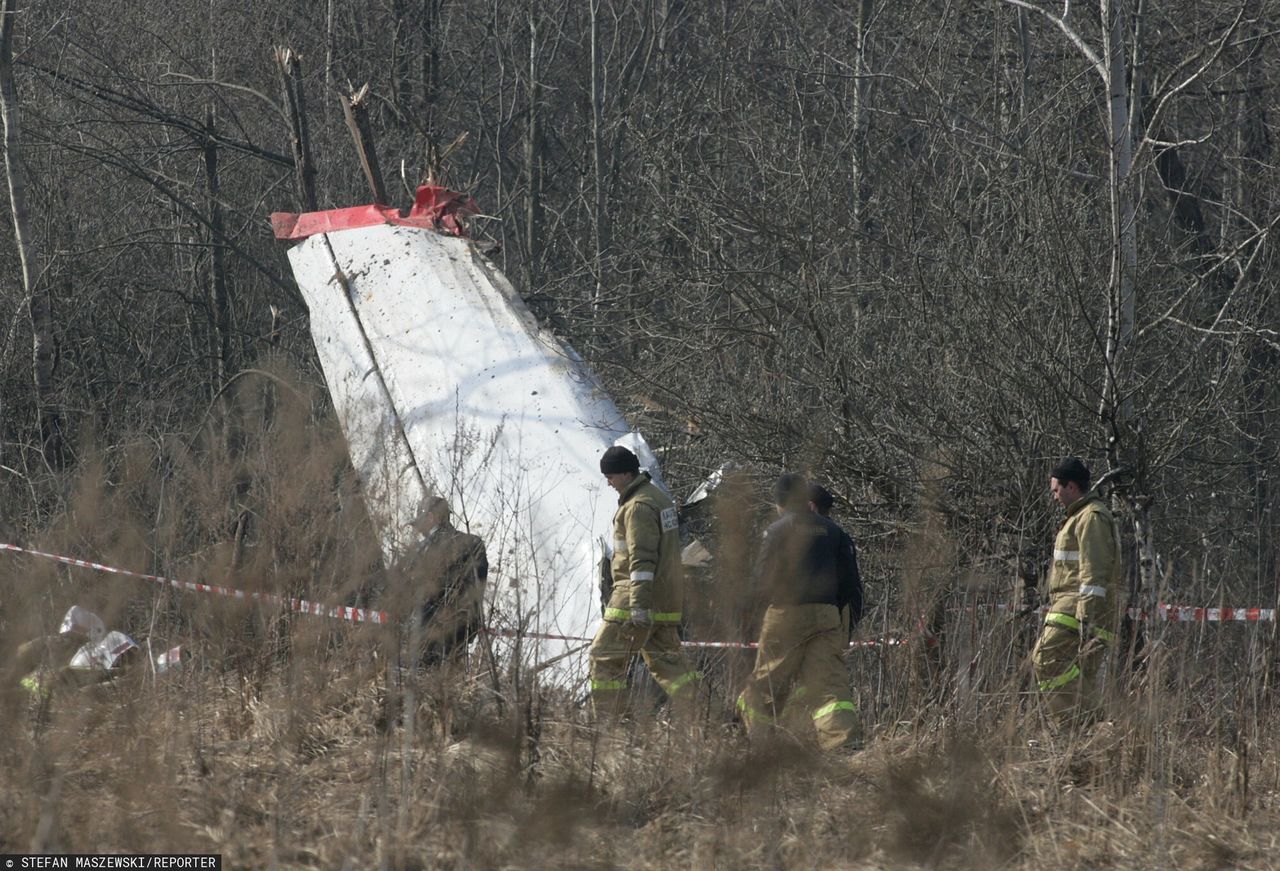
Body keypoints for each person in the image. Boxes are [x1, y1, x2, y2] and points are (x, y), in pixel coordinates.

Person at [737, 474, 862, 750]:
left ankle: (759, 746)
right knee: (829, 686)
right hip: (826, 615)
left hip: (785, 615)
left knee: (766, 685)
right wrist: (847, 624)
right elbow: (851, 585)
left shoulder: (777, 531)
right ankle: (842, 746)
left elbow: (761, 580)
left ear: (781, 503)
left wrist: (748, 620)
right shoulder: (834, 532)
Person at [589, 445, 702, 716]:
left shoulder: (638, 506)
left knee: (603, 658)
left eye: (612, 476)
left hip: (635, 598)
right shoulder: (659, 499)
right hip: (664, 598)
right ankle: (712, 718)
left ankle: (610, 726)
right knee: (671, 667)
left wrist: (638, 605)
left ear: (627, 474)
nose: (608, 483)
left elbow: (642, 558)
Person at [1033, 457, 1122, 726]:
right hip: (1077, 610)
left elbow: (1094, 573)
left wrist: (1086, 617)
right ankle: (1088, 733)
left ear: (1071, 486)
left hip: (1079, 611)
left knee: (1045, 660)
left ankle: (1081, 724)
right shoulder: (1079, 517)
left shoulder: (1090, 517)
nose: (1054, 497)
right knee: (1080, 675)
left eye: (1056, 490)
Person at [396, 495, 489, 666]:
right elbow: (477, 587)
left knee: (421, 680)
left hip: (427, 632)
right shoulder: (474, 543)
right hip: (463, 629)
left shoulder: (423, 550)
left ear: (432, 517)